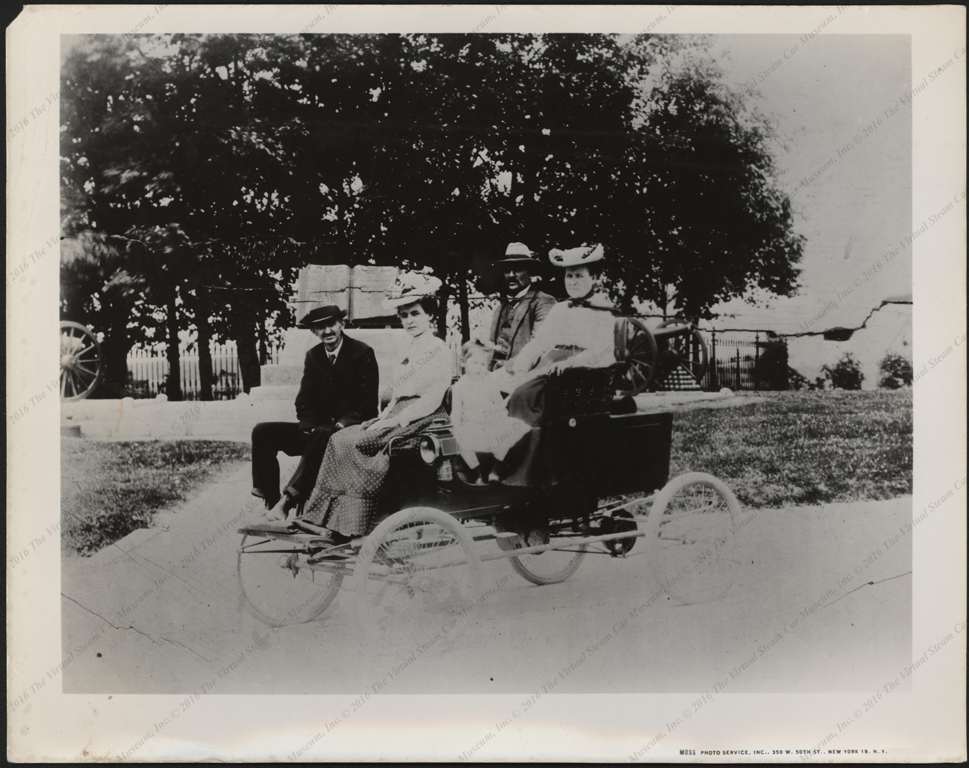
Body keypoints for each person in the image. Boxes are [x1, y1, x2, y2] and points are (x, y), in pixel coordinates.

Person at [300, 273, 453, 542]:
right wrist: (383, 417)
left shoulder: (439, 349)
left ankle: (354, 521)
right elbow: (397, 393)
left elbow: (432, 398)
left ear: (429, 315)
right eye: (404, 316)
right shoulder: (410, 347)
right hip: (398, 413)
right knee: (339, 438)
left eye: (415, 313)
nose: (409, 321)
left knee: (356, 442)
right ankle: (322, 515)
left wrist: (396, 421)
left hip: (423, 417)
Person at [501, 244, 619, 487]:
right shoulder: (560, 309)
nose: (573, 282)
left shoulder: (603, 313)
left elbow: (606, 353)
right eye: (569, 276)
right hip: (551, 367)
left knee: (524, 396)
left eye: (579, 276)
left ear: (594, 278)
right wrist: (522, 363)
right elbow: (539, 342)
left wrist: (574, 363)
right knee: (505, 392)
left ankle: (528, 474)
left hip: (580, 377)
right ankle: (502, 464)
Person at [251, 305, 379, 518]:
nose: (327, 331)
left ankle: (287, 502)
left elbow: (367, 406)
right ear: (314, 332)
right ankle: (271, 502)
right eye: (320, 327)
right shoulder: (313, 356)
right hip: (318, 433)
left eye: (331, 324)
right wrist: (308, 427)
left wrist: (339, 425)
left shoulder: (362, 352)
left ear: (342, 324)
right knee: (263, 431)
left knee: (324, 433)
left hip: (349, 433)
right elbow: (304, 401)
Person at [450, 339, 530, 484]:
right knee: (457, 441)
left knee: (511, 430)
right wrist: (455, 427)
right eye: (474, 363)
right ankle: (477, 472)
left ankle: (495, 469)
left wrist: (500, 417)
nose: (479, 368)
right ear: (463, 363)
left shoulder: (490, 381)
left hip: (490, 423)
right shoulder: (459, 387)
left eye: (483, 364)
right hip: (471, 426)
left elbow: (498, 404)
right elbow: (456, 412)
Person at [487, 242, 557, 372]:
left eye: (518, 269)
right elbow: (491, 351)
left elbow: (540, 347)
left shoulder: (544, 302)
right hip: (498, 382)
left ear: (530, 273)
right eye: (507, 270)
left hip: (528, 379)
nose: (511, 275)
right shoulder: (499, 310)